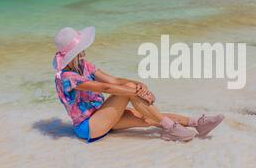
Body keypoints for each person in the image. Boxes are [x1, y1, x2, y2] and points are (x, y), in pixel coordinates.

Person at [53, 26, 224, 143]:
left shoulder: (84, 65)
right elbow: (106, 88)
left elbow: (113, 80)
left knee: (147, 118)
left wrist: (139, 84)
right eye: (80, 50)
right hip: (89, 126)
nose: (83, 52)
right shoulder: (68, 77)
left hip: (103, 114)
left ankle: (197, 123)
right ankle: (170, 127)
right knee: (126, 93)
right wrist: (134, 91)